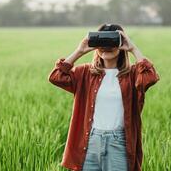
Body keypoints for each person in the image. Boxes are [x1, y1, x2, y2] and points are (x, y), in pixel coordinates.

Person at [48, 23, 160, 171]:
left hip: (119, 142)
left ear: (121, 44)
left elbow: (150, 77)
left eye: (112, 41)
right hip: (89, 143)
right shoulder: (85, 73)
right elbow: (57, 77)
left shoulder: (132, 74)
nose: (106, 46)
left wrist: (132, 48)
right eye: (102, 41)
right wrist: (79, 51)